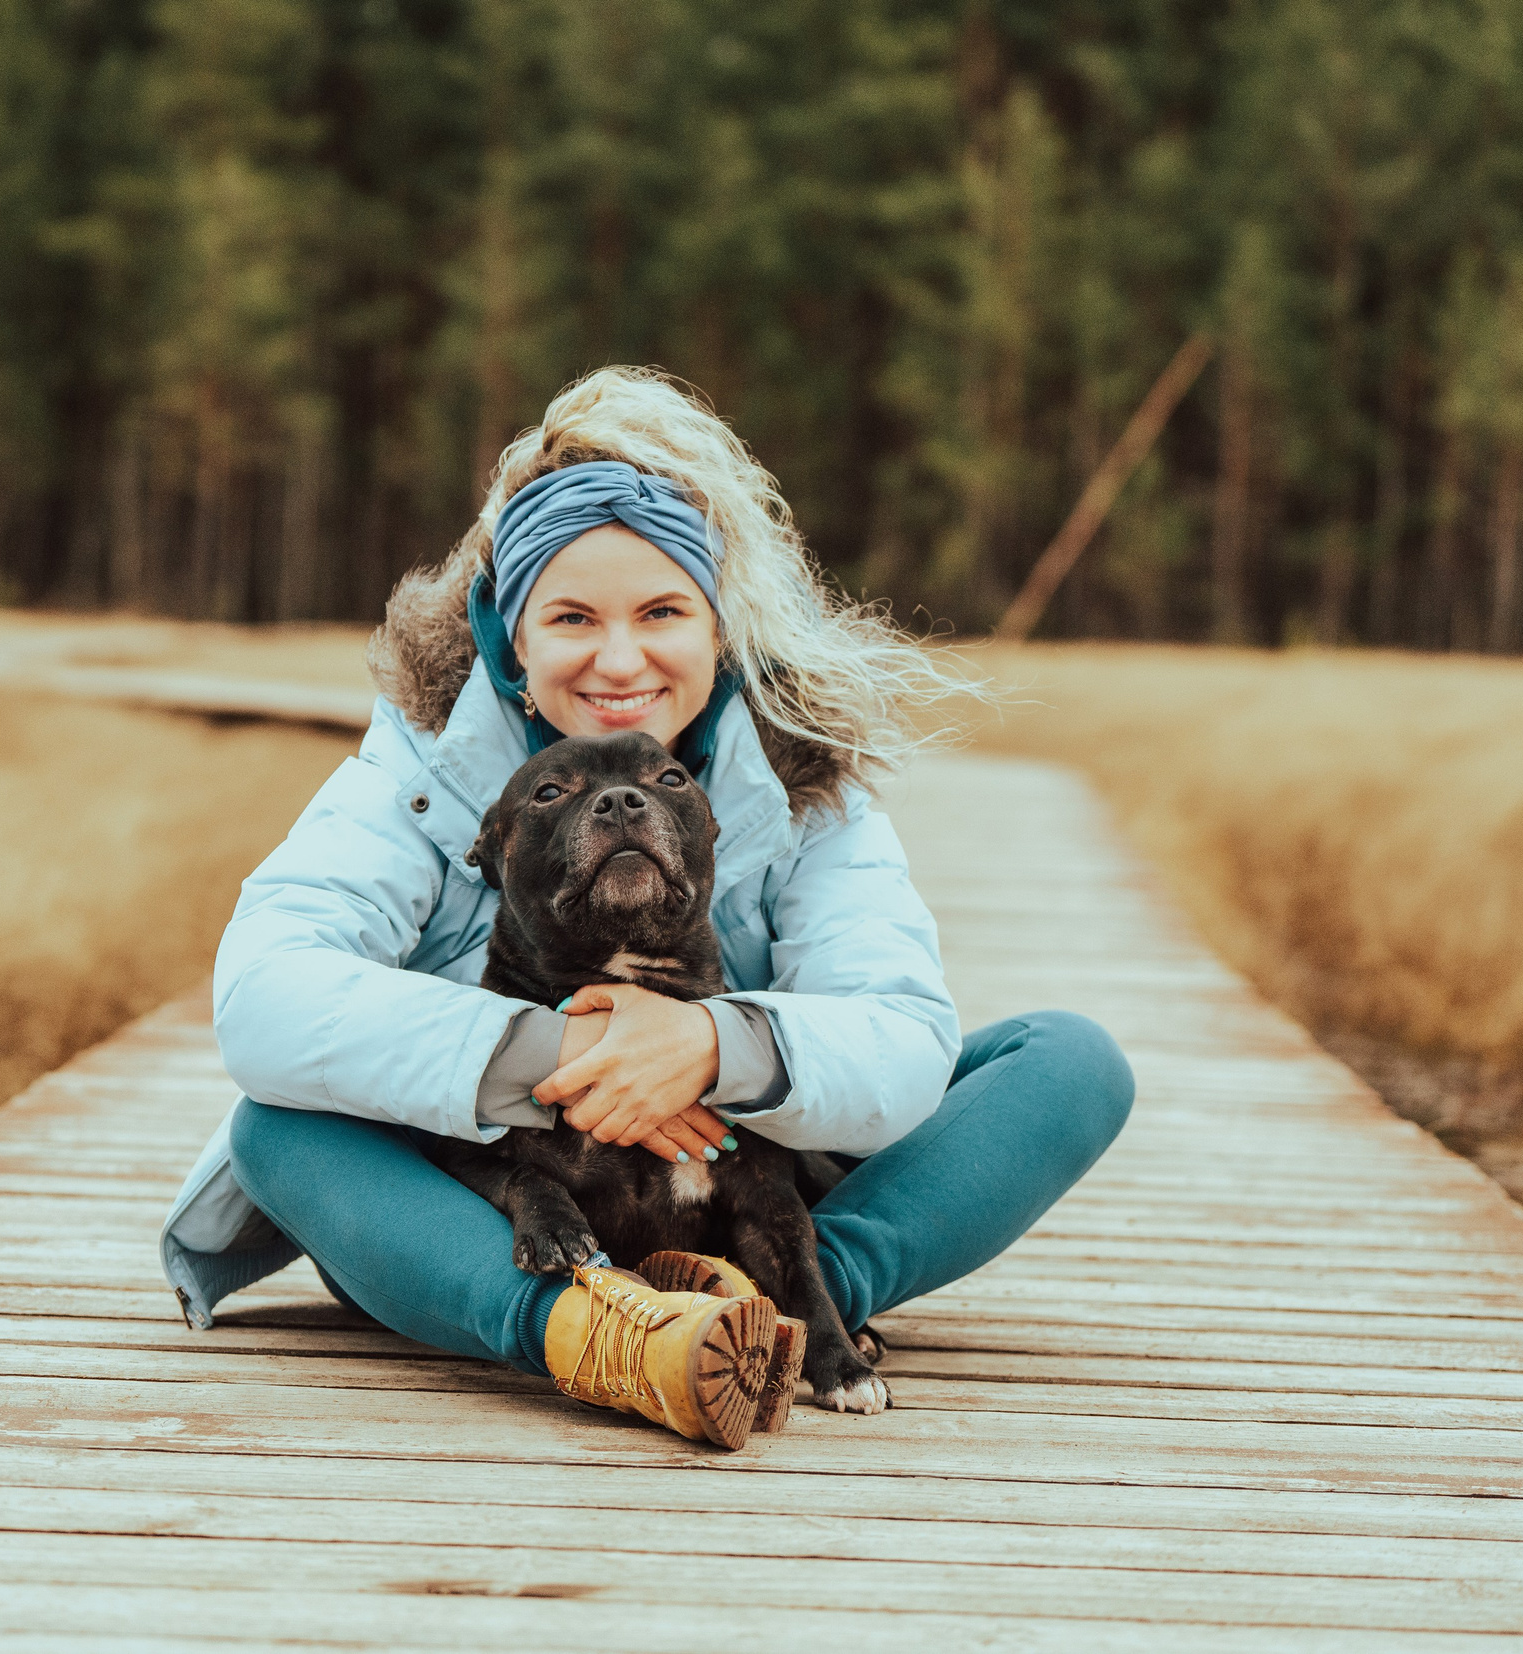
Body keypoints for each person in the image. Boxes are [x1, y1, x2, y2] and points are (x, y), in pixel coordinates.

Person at [160, 366, 1134, 1444]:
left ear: (719, 630)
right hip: (499, 1198)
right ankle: (591, 1332)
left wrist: (715, 1048)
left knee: (1067, 1061)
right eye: (572, 615)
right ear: (510, 641)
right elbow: (261, 993)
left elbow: (900, 1035)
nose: (619, 658)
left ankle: (782, 1303)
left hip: (743, 1182)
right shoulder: (419, 773)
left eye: (663, 610)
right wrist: (563, 1054)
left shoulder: (806, 783)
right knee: (274, 1130)